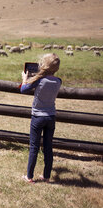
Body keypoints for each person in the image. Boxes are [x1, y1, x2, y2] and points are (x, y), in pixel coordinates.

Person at [20, 53, 62, 183]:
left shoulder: (39, 80)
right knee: (48, 147)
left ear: (43, 65)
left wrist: (25, 78)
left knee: (34, 147)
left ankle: (29, 176)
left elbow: (23, 89)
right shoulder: (58, 81)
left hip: (38, 117)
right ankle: (47, 176)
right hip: (51, 117)